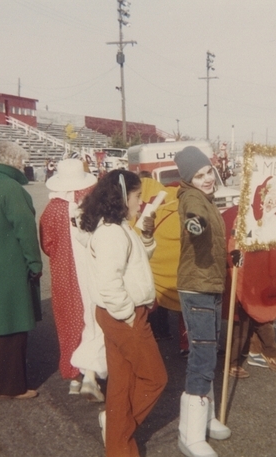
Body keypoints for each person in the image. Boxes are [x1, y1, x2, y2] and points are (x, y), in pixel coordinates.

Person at [79, 169, 167, 457]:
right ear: (121, 196)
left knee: (121, 383)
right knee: (155, 378)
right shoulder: (112, 233)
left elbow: (138, 258)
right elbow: (109, 283)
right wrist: (128, 314)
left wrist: (149, 233)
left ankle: (118, 447)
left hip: (117, 314)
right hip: (124, 315)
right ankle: (118, 429)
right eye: (137, 196)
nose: (140, 202)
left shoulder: (117, 227)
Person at [0, 141, 42, 399]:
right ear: (12, 162)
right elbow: (25, 231)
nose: (24, 166)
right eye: (22, 162)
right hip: (10, 266)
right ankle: (13, 386)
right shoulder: (11, 189)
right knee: (13, 327)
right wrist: (35, 263)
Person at [174, 146, 231, 457]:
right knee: (203, 357)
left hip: (207, 284)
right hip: (197, 287)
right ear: (188, 179)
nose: (207, 178)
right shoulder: (192, 199)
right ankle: (190, 434)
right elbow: (193, 220)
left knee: (207, 353)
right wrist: (195, 224)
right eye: (199, 175)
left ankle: (206, 418)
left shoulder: (206, 198)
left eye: (208, 171)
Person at [40, 158, 106, 400]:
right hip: (92, 268)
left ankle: (74, 377)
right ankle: (91, 371)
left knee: (68, 321)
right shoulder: (93, 205)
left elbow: (47, 244)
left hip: (64, 273)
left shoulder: (52, 210)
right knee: (94, 319)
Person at [223, 206, 276, 377]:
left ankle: (265, 351)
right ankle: (231, 362)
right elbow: (238, 240)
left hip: (264, 278)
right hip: (246, 276)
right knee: (241, 324)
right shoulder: (246, 215)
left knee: (264, 316)